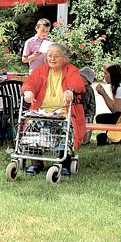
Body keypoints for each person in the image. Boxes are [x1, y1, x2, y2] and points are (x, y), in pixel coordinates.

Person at [22, 43, 86, 176]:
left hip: (63, 112)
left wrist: (70, 90)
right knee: (31, 127)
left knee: (64, 131)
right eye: (50, 56)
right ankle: (36, 163)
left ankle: (63, 163)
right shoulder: (41, 69)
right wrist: (28, 91)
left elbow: (78, 83)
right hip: (42, 110)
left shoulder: (71, 70)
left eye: (56, 56)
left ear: (64, 58)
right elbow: (30, 82)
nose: (52, 59)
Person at [95, 63, 121, 145]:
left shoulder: (120, 88)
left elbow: (115, 110)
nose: (104, 76)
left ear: (112, 75)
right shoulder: (118, 86)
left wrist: (104, 94)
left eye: (105, 73)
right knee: (101, 119)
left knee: (100, 118)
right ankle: (115, 135)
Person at [79, 66, 96, 145]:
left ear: (85, 79)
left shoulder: (86, 89)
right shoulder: (84, 88)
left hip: (87, 112)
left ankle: (85, 141)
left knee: (87, 127)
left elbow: (85, 102)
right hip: (86, 112)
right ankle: (83, 140)